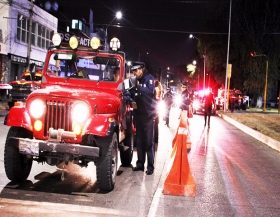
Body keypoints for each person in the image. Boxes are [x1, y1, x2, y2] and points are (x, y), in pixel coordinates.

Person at [131, 64, 156, 175]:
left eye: (135, 71)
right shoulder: (135, 80)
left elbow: (150, 92)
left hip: (148, 116)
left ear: (140, 70)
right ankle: (140, 164)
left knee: (149, 142)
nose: (134, 74)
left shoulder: (149, 78)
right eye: (133, 72)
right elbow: (130, 93)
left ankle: (150, 166)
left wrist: (139, 86)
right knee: (140, 141)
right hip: (138, 115)